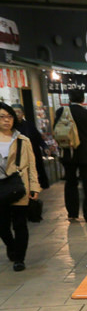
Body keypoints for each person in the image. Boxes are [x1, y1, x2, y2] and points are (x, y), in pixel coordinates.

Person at [0, 102, 42, 271]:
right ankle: (11, 245)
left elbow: (32, 166)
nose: (6, 120)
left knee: (20, 224)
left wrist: (35, 187)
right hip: (0, 189)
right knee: (2, 226)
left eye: (9, 116)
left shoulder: (23, 140)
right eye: (2, 117)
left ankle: (19, 258)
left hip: (19, 187)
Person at [55, 88, 87, 222]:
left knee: (70, 183)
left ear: (69, 99)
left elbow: (56, 132)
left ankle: (72, 213)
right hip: (86, 154)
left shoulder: (61, 112)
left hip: (68, 153)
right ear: (83, 99)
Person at [11, 104, 50, 190]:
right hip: (18, 156)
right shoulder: (10, 127)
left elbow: (38, 137)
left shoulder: (29, 125)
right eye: (15, 112)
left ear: (23, 113)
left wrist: (45, 147)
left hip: (33, 153)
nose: (17, 114)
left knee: (35, 173)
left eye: (19, 112)